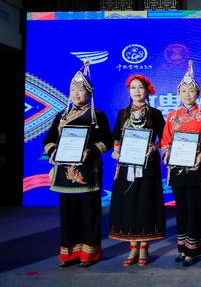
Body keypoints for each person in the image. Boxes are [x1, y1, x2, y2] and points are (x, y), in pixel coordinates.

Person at [42, 59, 113, 268]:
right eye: (73, 89)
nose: (76, 93)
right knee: (68, 215)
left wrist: (90, 151)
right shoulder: (61, 115)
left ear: (89, 93)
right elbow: (48, 140)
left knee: (89, 213)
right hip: (64, 172)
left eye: (80, 89)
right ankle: (70, 254)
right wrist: (54, 152)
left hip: (88, 170)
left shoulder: (97, 115)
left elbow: (108, 140)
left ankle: (89, 254)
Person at [161, 61, 201, 267]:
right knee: (181, 210)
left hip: (196, 169)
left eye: (191, 91)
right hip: (177, 169)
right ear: (178, 93)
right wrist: (166, 154)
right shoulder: (172, 116)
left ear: (198, 94)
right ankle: (182, 249)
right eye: (183, 91)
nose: (187, 94)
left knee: (194, 210)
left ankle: (192, 251)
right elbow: (165, 140)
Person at [108, 75, 167, 266]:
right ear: (128, 91)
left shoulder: (155, 114)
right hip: (126, 166)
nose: (137, 91)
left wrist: (154, 148)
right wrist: (116, 150)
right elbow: (116, 138)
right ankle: (132, 247)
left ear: (147, 90)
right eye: (133, 87)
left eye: (140, 87)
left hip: (148, 166)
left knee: (144, 205)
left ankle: (144, 247)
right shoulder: (122, 113)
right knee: (129, 204)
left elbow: (165, 139)